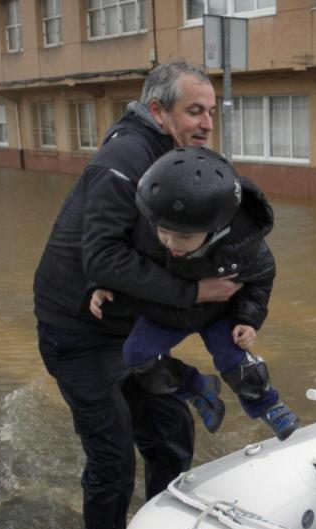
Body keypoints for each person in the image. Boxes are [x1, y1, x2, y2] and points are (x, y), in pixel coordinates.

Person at [33, 61, 240, 529]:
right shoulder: (121, 163)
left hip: (133, 327)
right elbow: (99, 262)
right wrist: (194, 293)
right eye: (193, 111)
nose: (206, 124)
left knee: (172, 440)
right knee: (112, 466)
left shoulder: (184, 162)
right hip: (78, 333)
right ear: (158, 112)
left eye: (210, 112)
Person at [89, 147, 300, 441]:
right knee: (137, 358)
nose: (170, 243)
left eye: (184, 236)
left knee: (237, 363)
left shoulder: (244, 244)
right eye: (163, 231)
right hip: (166, 312)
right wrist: (101, 286)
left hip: (218, 313)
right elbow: (123, 264)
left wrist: (248, 319)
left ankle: (269, 405)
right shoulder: (148, 229)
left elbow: (261, 280)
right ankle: (198, 388)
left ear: (216, 227)